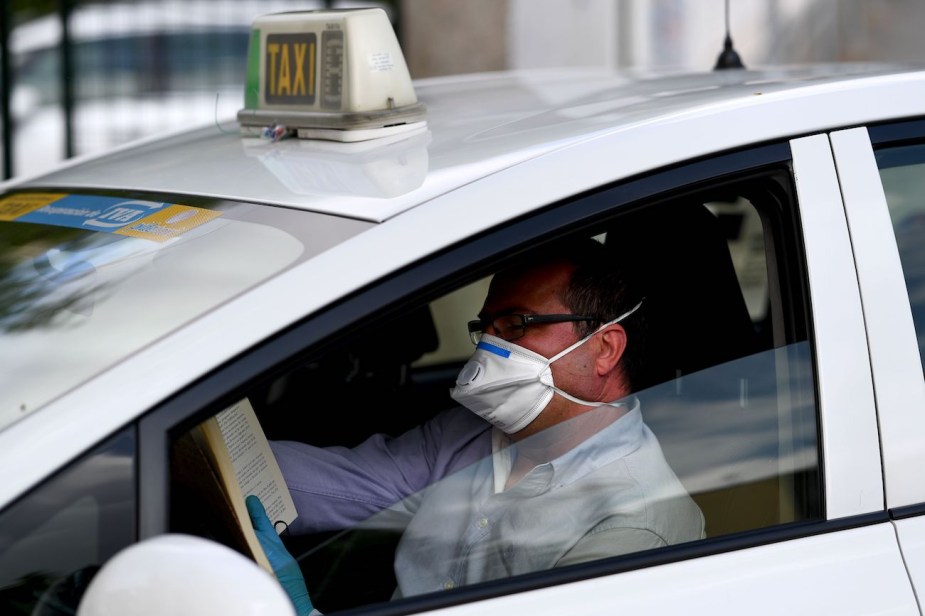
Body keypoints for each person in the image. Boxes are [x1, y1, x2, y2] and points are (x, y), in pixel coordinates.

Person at [249, 237, 705, 615]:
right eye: (486, 327)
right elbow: (335, 485)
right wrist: (208, 454)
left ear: (605, 348)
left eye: (516, 324)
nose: (488, 348)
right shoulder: (471, 434)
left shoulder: (634, 526)